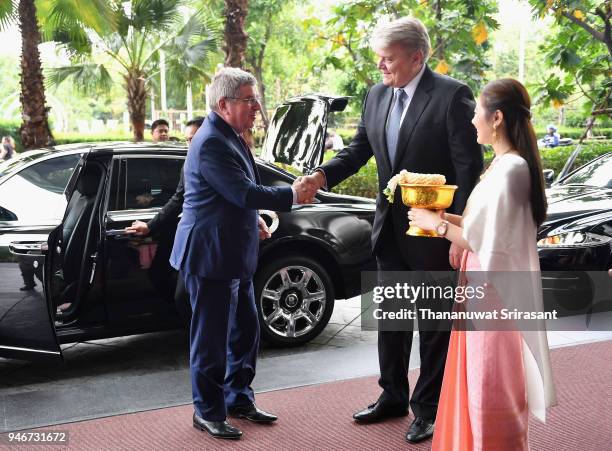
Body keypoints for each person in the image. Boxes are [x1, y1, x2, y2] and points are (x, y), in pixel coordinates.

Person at [297, 17, 483, 443]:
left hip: (434, 231)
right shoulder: (377, 95)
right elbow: (358, 149)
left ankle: (429, 408)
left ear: (417, 57)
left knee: (434, 325)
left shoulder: (453, 96)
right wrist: (321, 177)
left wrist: (457, 230)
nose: (380, 66)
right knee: (393, 320)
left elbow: (468, 168)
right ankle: (392, 396)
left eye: (388, 58)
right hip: (388, 231)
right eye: (378, 58)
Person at [409, 78, 557, 450]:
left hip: (495, 297)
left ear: (497, 119)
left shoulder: (511, 170)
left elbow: (486, 242)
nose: (471, 120)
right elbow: (484, 229)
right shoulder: (501, 166)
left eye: (477, 112)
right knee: (478, 382)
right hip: (481, 291)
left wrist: (438, 225)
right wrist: (445, 218)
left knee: (490, 388)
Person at [169, 67, 313, 440]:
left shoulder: (230, 134)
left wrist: (254, 222)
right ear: (224, 104)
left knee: (245, 332)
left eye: (255, 99)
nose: (256, 106)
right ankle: (208, 410)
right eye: (249, 100)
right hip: (209, 255)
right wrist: (293, 195)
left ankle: (238, 398)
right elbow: (244, 193)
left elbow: (240, 193)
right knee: (210, 339)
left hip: (235, 251)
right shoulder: (212, 140)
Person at [125, 117, 205, 323]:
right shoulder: (189, 164)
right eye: (188, 140)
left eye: (194, 139)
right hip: (186, 237)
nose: (190, 145)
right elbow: (178, 199)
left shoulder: (220, 163)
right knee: (179, 294)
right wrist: (150, 226)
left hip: (210, 243)